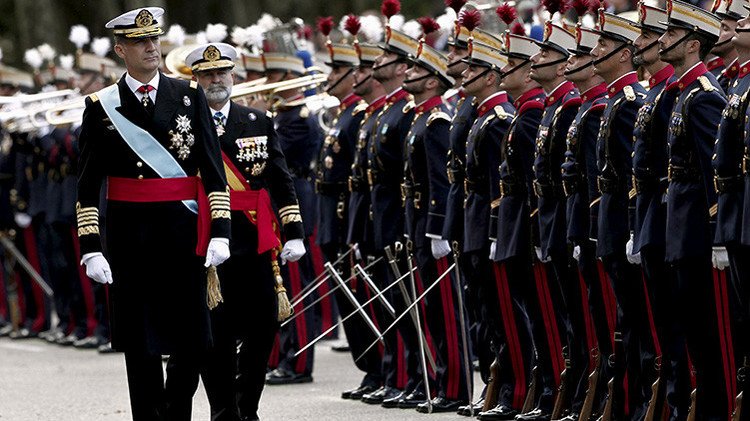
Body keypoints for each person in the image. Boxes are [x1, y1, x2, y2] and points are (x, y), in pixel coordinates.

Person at [76, 7, 232, 421]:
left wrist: (221, 232)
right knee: (140, 344)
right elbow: (87, 186)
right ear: (120, 49)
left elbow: (214, 172)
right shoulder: (100, 107)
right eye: (140, 41)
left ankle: (175, 410)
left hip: (183, 233)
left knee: (193, 340)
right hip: (130, 239)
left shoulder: (188, 95)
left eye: (154, 39)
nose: (151, 47)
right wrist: (91, 248)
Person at [186, 42, 306, 421]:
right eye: (207, 74)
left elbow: (281, 181)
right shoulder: (184, 124)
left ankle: (247, 405)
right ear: (196, 80)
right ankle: (223, 410)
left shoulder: (257, 121)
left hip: (255, 241)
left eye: (221, 72)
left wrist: (295, 232)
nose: (215, 79)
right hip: (205, 242)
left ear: (233, 76)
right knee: (216, 335)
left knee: (262, 329)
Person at [658, 0, 735, 418]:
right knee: (693, 333)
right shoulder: (687, 92)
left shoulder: (703, 96)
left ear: (691, 44)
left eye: (670, 35)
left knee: (711, 335)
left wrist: (718, 235)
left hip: (699, 236)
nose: (661, 41)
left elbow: (713, 173)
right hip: (681, 232)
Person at [401, 27, 469, 413]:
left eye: (415, 69)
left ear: (431, 80)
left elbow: (441, 183)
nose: (407, 73)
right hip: (419, 226)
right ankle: (443, 380)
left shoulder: (436, 121)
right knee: (432, 312)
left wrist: (437, 228)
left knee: (446, 310)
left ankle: (455, 386)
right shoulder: (422, 119)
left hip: (432, 229)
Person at [483, 29, 545, 421]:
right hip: (513, 225)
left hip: (527, 227)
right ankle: (532, 392)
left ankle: (541, 392)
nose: (503, 69)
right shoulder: (524, 113)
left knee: (545, 321)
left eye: (512, 64)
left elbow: (534, 183)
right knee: (530, 319)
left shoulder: (531, 114)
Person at [361, 24, 421, 408]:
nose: (375, 63)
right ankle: (395, 374)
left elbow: (408, 176)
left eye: (384, 58)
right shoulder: (388, 111)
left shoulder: (405, 112)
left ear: (401, 68)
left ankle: (408, 376)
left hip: (400, 221)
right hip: (380, 218)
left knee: (405, 305)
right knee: (389, 305)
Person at [560, 23, 610, 421]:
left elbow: (598, 177)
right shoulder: (581, 108)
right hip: (579, 224)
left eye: (582, 55)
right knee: (583, 321)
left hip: (598, 226)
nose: (581, 61)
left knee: (607, 323)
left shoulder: (595, 109)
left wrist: (591, 228)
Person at [629, 2, 676, 417]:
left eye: (650, 36)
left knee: (673, 331)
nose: (644, 43)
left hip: (669, 219)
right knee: (654, 326)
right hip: (649, 217)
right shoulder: (658, 93)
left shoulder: (672, 93)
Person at [343, 40, 389, 402]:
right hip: (366, 220)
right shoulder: (374, 115)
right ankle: (390, 373)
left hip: (392, 222)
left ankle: (418, 379)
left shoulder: (397, 115)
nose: (360, 75)